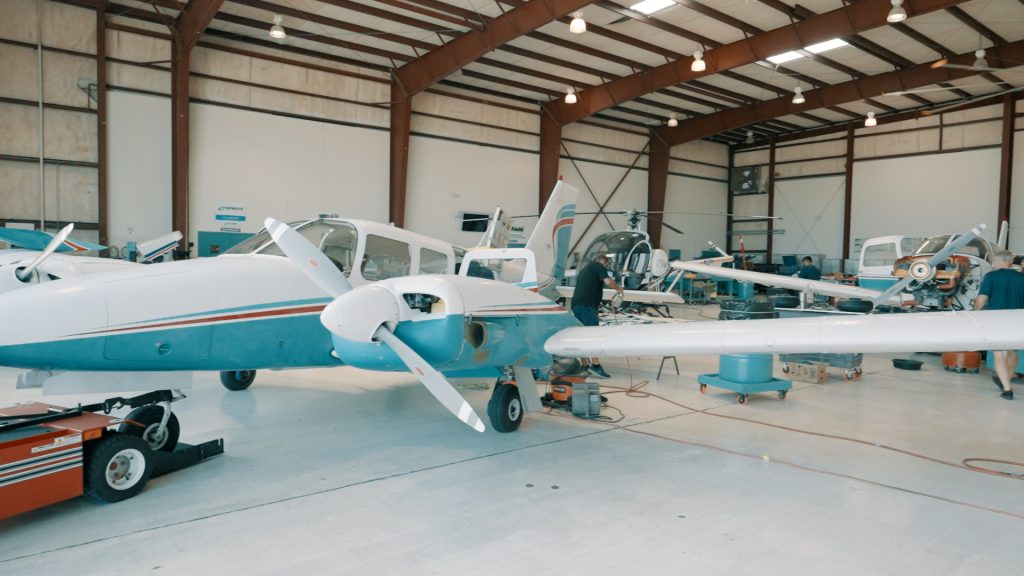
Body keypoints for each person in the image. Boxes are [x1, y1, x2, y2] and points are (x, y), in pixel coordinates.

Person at [974, 250, 1024, 400]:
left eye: (994, 261)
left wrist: (975, 309)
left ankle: (1007, 390)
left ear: (997, 261)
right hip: (1017, 320)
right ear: (1010, 262)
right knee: (1013, 353)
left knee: (999, 354)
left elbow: (981, 301)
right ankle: (1005, 380)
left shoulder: (991, 276)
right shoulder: (1022, 278)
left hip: (997, 320)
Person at [571, 254, 623, 379]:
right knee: (593, 335)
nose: (606, 267)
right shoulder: (598, 265)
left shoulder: (585, 269)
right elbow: (608, 281)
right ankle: (595, 365)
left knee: (581, 335)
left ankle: (584, 365)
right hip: (588, 306)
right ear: (603, 261)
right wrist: (619, 289)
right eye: (607, 264)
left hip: (576, 305)